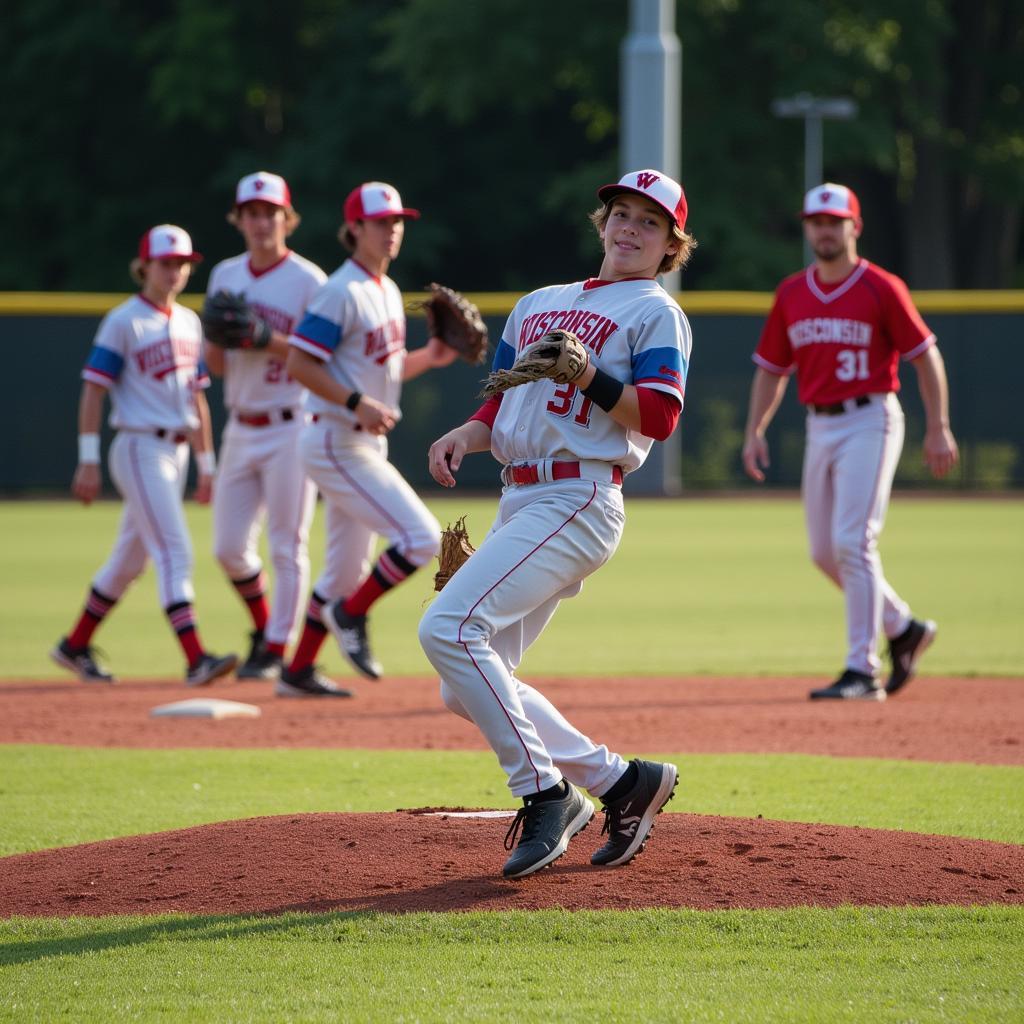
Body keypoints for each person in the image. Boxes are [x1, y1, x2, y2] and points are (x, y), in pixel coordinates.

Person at [418, 169, 694, 879]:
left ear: (670, 245)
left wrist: (589, 377)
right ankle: (621, 783)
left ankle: (545, 793)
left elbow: (659, 418)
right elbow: (502, 403)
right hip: (522, 497)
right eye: (621, 214)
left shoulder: (656, 312)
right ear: (600, 225)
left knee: (449, 628)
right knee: (466, 684)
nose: (630, 227)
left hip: (579, 496)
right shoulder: (539, 303)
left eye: (649, 222)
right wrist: (466, 434)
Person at [741, 183, 959, 701]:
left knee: (853, 542)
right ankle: (903, 627)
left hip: (871, 418)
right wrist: (755, 429)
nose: (824, 229)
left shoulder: (881, 287)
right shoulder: (792, 291)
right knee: (823, 552)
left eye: (834, 221)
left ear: (853, 227)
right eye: (816, 221)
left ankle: (862, 670)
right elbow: (772, 369)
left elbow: (926, 356)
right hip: (820, 424)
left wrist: (938, 425)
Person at [283, 181, 457, 694]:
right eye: (381, 222)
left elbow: (384, 368)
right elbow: (299, 363)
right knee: (422, 538)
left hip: (358, 439)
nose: (391, 231)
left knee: (346, 567)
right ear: (354, 228)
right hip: (335, 439)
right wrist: (356, 402)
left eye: (397, 222)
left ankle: (298, 671)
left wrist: (433, 357)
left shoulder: (383, 289)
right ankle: (350, 614)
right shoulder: (340, 291)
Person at [51, 226, 238, 687]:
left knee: (128, 563)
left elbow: (196, 400)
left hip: (174, 452)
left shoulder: (190, 322)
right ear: (144, 266)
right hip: (138, 446)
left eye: (182, 263)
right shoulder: (124, 320)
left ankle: (73, 646)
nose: (175, 271)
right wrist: (88, 459)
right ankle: (196, 659)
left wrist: (207, 464)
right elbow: (94, 390)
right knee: (174, 550)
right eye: (166, 263)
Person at [204, 172, 327, 689]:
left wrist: (264, 336)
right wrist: (221, 337)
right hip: (241, 422)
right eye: (251, 212)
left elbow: (319, 355)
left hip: (290, 422)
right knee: (229, 548)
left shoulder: (308, 280)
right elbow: (215, 364)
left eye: (270, 212)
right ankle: (265, 629)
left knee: (287, 544)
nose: (260, 222)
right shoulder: (224, 274)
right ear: (239, 220)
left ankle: (277, 650)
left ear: (286, 218)